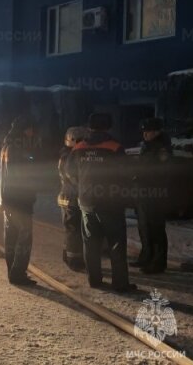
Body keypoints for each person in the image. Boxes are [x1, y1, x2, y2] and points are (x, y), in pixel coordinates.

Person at [66, 113, 136, 292]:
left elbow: (69, 172)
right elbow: (126, 174)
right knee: (116, 243)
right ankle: (120, 283)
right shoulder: (114, 147)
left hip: (86, 202)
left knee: (90, 242)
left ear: (89, 127)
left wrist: (82, 186)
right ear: (109, 126)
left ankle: (94, 280)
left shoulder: (78, 147)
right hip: (110, 202)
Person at [0, 115, 42, 286]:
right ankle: (18, 274)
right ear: (24, 129)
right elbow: (23, 174)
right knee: (24, 238)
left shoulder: (7, 145)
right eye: (30, 129)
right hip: (20, 200)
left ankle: (12, 272)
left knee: (11, 238)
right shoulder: (19, 148)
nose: (32, 133)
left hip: (7, 198)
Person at [131, 117, 172, 274]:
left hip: (155, 193)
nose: (144, 134)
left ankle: (158, 262)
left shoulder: (162, 149)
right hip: (143, 192)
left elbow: (161, 172)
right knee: (144, 227)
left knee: (156, 228)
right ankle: (146, 257)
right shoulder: (147, 147)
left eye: (147, 131)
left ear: (156, 132)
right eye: (144, 131)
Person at [58, 126, 88, 271]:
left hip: (66, 196)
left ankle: (67, 255)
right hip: (72, 196)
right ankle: (74, 260)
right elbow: (74, 177)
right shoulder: (70, 156)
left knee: (70, 228)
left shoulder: (66, 154)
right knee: (74, 229)